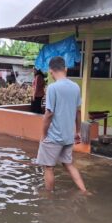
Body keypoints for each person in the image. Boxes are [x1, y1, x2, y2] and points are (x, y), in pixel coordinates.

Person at [36, 56, 87, 193]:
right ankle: (84, 191)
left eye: (50, 73)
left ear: (51, 70)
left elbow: (49, 114)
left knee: (48, 167)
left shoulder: (53, 88)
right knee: (69, 164)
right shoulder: (75, 87)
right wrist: (77, 132)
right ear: (65, 69)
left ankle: (49, 198)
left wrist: (43, 135)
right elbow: (78, 112)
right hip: (68, 136)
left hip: (54, 137)